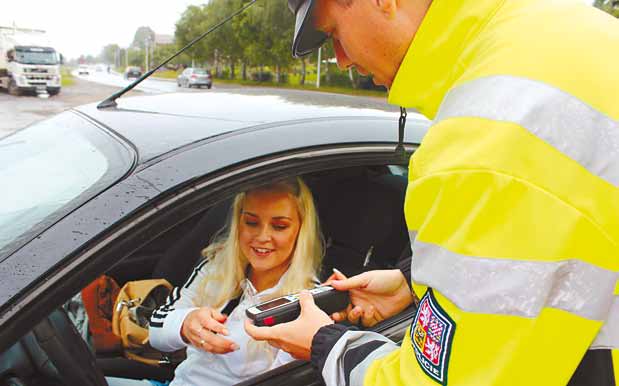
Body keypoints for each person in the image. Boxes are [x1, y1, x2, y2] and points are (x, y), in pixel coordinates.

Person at [246, 0, 619, 385]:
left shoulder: (483, 139)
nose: (341, 60)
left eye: (334, 33)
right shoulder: (569, 34)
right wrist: (410, 283)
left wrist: (326, 344)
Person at [107, 177, 324, 386]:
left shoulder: (306, 301)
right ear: (238, 223)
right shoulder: (217, 265)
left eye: (279, 226)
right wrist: (186, 324)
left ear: (300, 230)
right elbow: (156, 331)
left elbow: (283, 380)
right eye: (251, 222)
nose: (262, 236)